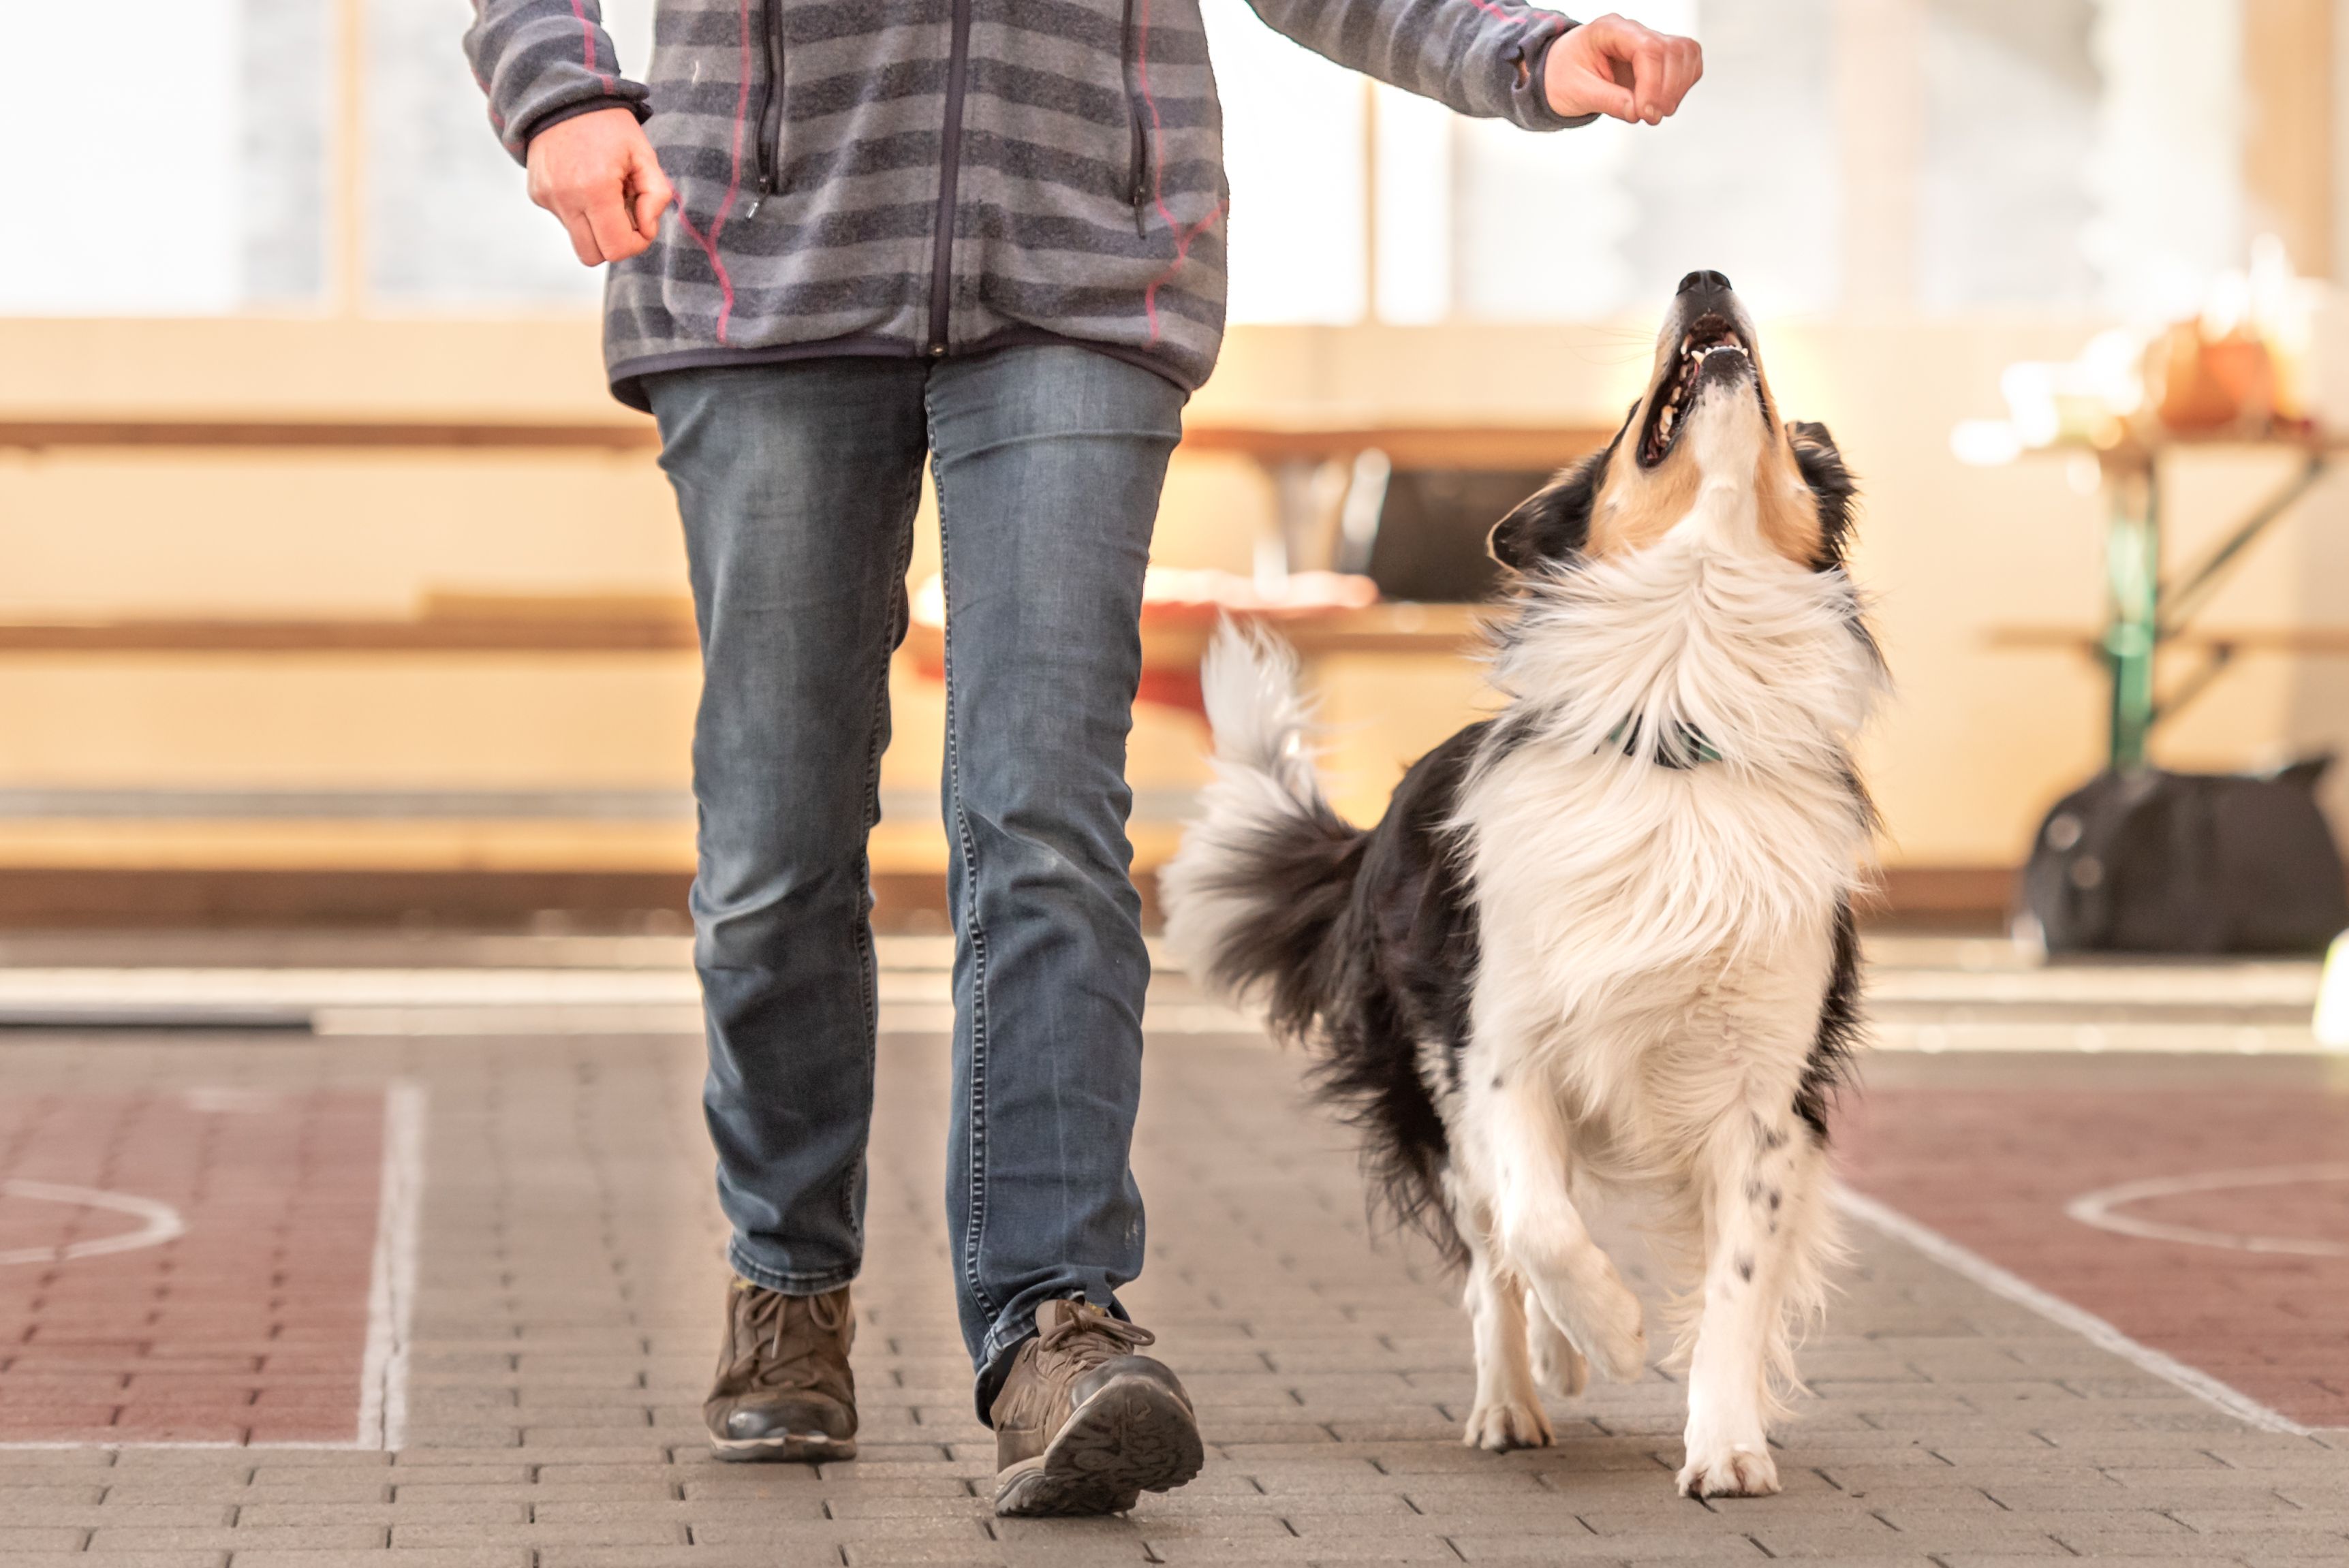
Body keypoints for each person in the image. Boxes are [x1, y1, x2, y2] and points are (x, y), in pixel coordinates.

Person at [463, 0, 1700, 1518]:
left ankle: (1052, 1317)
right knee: (774, 846)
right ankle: (787, 1271)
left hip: (1082, 277)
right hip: (759, 268)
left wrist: (1517, 52)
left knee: (1042, 811)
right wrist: (559, 94)